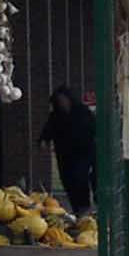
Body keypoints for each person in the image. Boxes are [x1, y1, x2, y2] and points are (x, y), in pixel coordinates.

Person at [44, 85, 100, 218]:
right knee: (69, 182)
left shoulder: (82, 111)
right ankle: (77, 209)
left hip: (83, 153)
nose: (62, 103)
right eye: (59, 101)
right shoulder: (56, 116)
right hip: (65, 155)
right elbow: (48, 130)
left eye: (64, 100)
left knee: (80, 179)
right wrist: (44, 140)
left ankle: (85, 207)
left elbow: (93, 128)